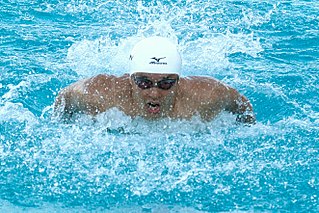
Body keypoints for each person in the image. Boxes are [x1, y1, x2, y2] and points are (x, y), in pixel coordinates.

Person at [54, 36, 255, 123]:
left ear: (179, 80)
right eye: (144, 82)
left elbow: (243, 106)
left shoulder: (207, 95)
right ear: (131, 79)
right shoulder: (100, 93)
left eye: (166, 83)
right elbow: (65, 97)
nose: (154, 92)